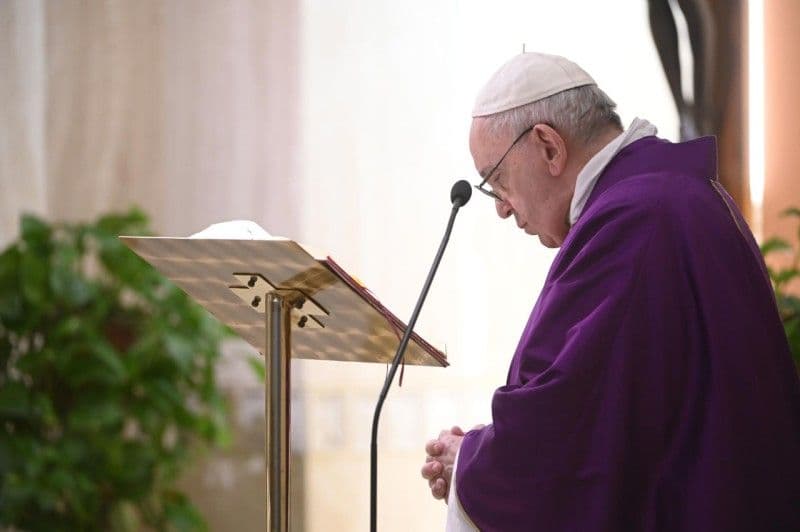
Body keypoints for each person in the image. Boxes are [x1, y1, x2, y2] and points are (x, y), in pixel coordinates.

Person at [420, 52, 800, 531]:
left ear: (549, 147)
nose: (501, 209)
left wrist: (475, 466)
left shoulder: (636, 221)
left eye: (498, 182)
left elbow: (573, 427)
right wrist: (484, 451)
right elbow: (618, 407)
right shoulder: (669, 197)